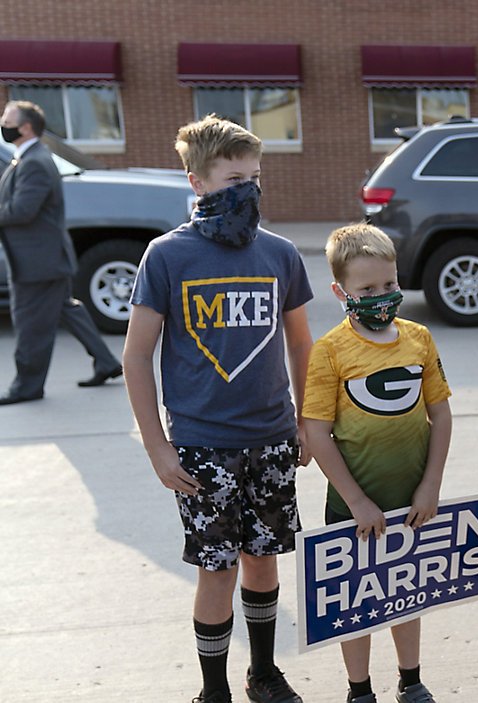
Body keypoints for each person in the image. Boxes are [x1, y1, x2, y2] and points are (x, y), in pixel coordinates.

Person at [122, 115, 313, 703]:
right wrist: (157, 446)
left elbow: (301, 342)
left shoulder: (279, 253)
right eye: (233, 178)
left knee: (263, 561)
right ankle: (214, 689)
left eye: (255, 177)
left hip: (274, 437)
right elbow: (136, 357)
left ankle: (263, 672)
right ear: (197, 182)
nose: (247, 190)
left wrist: (308, 420)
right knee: (218, 569)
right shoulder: (167, 256)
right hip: (202, 448)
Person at [302, 224, 452, 703]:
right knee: (356, 601)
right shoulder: (328, 351)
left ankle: (411, 680)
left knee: (407, 593)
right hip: (352, 506)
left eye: (388, 284)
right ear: (340, 291)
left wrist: (430, 485)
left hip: (410, 497)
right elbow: (316, 434)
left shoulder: (419, 339)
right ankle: (359, 689)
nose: (381, 296)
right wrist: (357, 500)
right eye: (366, 289)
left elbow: (441, 414)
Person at [0, 100, 122, 405]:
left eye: (7, 118)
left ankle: (27, 386)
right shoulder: (28, 159)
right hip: (46, 260)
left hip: (38, 264)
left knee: (30, 325)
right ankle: (107, 362)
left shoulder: (35, 163)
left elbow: (22, 211)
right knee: (67, 309)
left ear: (25, 126)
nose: (3, 123)